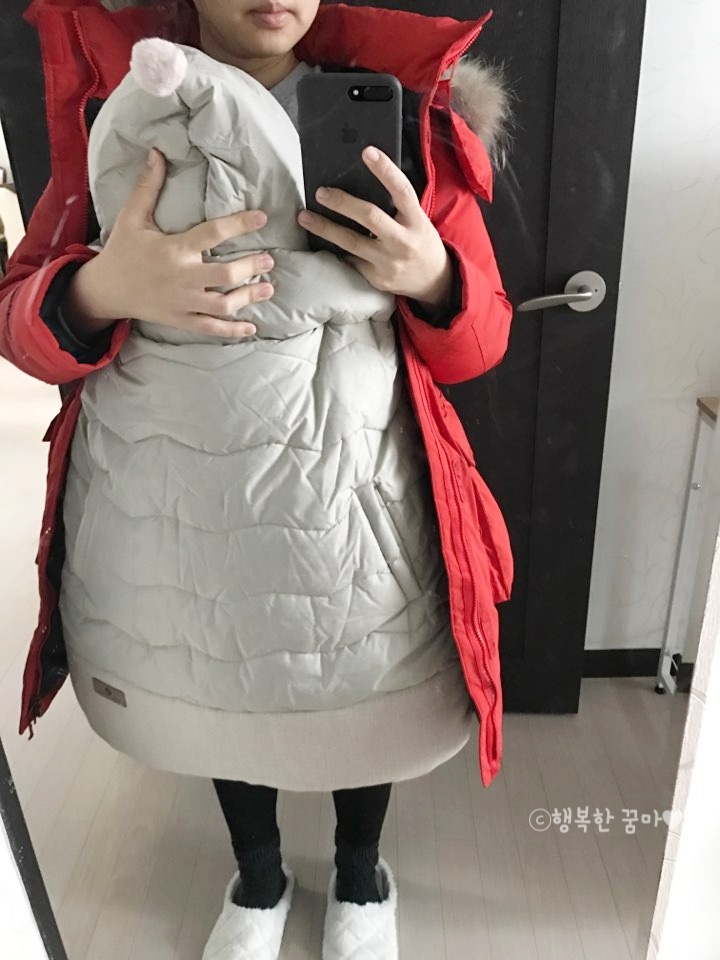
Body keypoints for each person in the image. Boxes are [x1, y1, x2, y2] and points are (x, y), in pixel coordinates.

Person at [0, 1, 514, 957]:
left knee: (363, 671)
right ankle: (260, 876)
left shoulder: (403, 113)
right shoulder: (127, 107)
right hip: (184, 494)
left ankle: (360, 871)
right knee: (225, 669)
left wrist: (433, 275)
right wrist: (102, 290)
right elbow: (19, 322)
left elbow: (480, 344)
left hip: (356, 493)